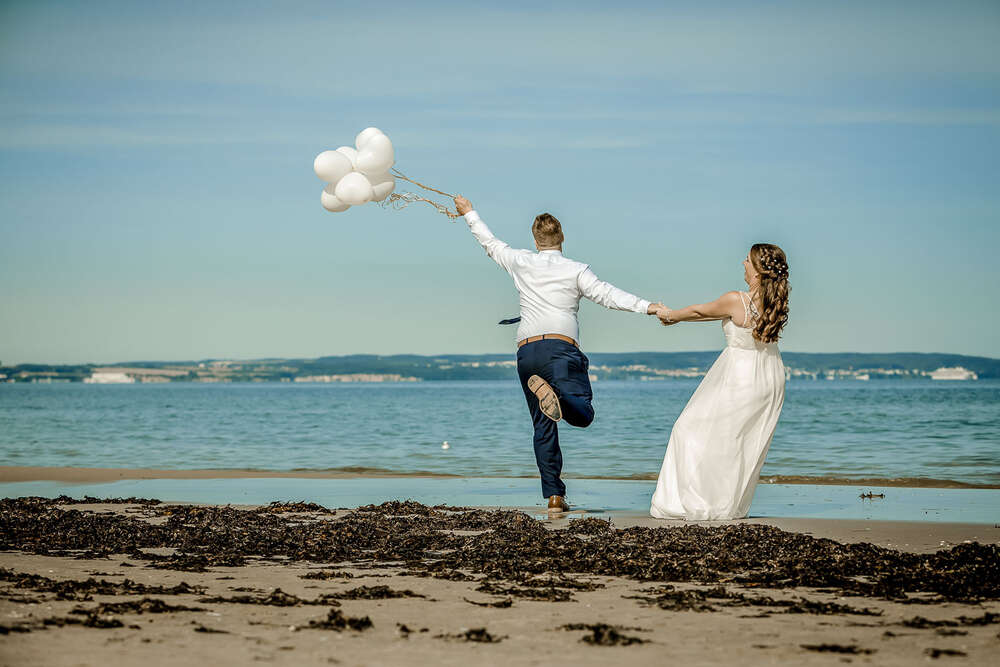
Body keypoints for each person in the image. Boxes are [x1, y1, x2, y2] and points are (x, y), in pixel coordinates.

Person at [453, 195, 661, 513]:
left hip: (528, 353)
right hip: (560, 351)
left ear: (536, 240)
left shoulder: (520, 260)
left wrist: (469, 213)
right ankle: (562, 401)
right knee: (584, 414)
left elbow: (489, 243)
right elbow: (607, 294)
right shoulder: (576, 270)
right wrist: (647, 306)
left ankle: (554, 497)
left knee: (542, 425)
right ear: (561, 237)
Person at [649, 243, 790, 520]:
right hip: (770, 374)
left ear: (759, 269)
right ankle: (727, 503)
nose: (743, 263)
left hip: (742, 374)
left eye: (747, 260)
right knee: (738, 441)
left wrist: (670, 315)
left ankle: (697, 502)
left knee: (688, 428)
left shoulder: (738, 299)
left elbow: (701, 311)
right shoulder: (776, 301)